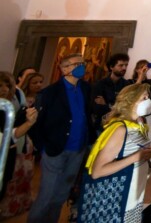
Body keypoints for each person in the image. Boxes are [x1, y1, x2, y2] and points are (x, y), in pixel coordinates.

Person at [77, 83, 151, 222]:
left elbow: (134, 150)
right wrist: (136, 157)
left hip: (135, 190)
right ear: (130, 101)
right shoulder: (120, 129)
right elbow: (97, 171)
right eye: (144, 97)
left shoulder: (140, 123)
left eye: (148, 96)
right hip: (119, 193)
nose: (149, 100)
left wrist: (150, 152)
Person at [28, 53, 96, 223]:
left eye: (83, 63)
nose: (82, 66)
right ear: (64, 68)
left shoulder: (86, 88)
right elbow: (36, 124)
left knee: (62, 193)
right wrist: (43, 147)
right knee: (47, 194)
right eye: (77, 64)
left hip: (77, 149)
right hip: (55, 149)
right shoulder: (49, 93)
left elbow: (86, 114)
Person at [0, 72, 38, 219]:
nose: (4, 89)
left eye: (8, 86)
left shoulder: (8, 109)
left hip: (6, 155)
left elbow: (13, 134)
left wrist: (29, 123)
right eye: (0, 85)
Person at [92, 53, 133, 129]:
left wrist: (107, 105)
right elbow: (97, 109)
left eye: (126, 65)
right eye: (121, 65)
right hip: (101, 125)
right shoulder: (100, 84)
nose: (124, 68)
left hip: (119, 125)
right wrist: (116, 107)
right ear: (111, 67)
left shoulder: (127, 85)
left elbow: (127, 108)